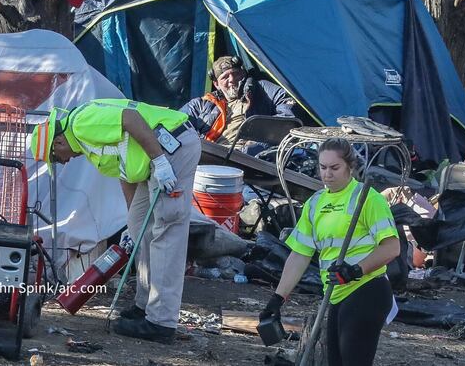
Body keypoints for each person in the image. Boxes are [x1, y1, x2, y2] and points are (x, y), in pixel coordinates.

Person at [31, 99, 201, 344]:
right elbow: (125, 171)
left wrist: (161, 162)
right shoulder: (86, 145)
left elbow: (130, 119)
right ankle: (145, 307)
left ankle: (161, 322)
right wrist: (134, 221)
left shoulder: (81, 124)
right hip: (154, 159)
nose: (63, 162)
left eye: (56, 158)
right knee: (140, 228)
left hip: (171, 149)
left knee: (166, 231)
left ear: (58, 142)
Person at [260, 138, 400, 366]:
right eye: (323, 167)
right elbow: (300, 255)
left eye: (335, 168)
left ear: (350, 167)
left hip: (366, 288)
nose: (328, 174)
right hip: (335, 293)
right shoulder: (315, 203)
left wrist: (355, 270)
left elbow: (392, 248)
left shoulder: (367, 198)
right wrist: (277, 298)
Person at [180, 55, 296, 155]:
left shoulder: (261, 88)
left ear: (243, 73)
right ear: (216, 84)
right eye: (225, 77)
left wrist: (259, 143)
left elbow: (288, 113)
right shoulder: (203, 104)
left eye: (235, 74)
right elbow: (175, 122)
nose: (231, 79)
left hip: (246, 157)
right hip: (211, 154)